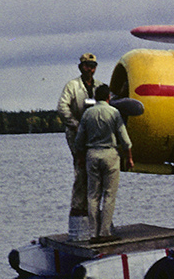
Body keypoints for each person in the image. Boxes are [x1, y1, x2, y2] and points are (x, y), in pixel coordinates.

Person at [74, 84, 134, 240]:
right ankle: (105, 232)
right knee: (109, 194)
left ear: (95, 98)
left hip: (92, 155)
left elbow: (79, 140)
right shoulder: (114, 113)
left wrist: (80, 158)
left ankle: (93, 233)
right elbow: (125, 140)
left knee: (93, 195)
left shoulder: (87, 114)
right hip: (110, 155)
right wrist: (129, 158)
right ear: (108, 97)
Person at [57, 53, 99, 229]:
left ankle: (93, 208)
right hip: (76, 134)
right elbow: (62, 107)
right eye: (87, 65)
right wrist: (75, 124)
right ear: (81, 67)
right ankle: (78, 207)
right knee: (81, 169)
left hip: (94, 134)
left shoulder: (100, 86)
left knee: (95, 170)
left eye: (93, 65)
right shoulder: (72, 86)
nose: (90, 68)